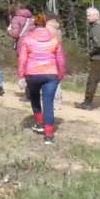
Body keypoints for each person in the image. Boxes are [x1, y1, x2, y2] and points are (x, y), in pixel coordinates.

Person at [18, 12, 66, 146]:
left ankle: (39, 123)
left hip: (32, 73)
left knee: (34, 97)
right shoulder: (54, 39)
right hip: (51, 74)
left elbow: (22, 59)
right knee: (48, 103)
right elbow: (61, 60)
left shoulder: (27, 39)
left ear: (34, 24)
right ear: (45, 24)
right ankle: (48, 135)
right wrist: (60, 75)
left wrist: (21, 77)